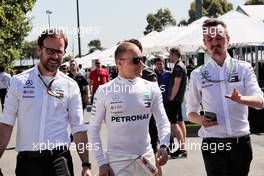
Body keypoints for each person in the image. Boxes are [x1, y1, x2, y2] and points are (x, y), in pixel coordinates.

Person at [0, 29, 92, 176]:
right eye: (50, 50)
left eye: (59, 52)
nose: (55, 56)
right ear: (39, 49)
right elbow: (6, 124)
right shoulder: (19, 82)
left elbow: (78, 127)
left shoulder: (70, 85)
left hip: (59, 159)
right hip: (28, 161)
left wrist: (86, 164)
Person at [187, 19, 264, 176]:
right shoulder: (197, 74)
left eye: (219, 38)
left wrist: (241, 99)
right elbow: (190, 113)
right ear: (204, 43)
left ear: (228, 39)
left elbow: (260, 101)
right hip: (212, 143)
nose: (215, 42)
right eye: (209, 39)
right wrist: (201, 120)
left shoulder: (244, 68)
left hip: (240, 143)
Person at [89, 42, 170, 176]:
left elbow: (162, 120)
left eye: (142, 59)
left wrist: (164, 145)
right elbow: (93, 129)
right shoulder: (104, 91)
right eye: (136, 60)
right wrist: (101, 162)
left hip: (146, 161)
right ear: (119, 63)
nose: (142, 64)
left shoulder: (151, 88)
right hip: (117, 164)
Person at [168, 48, 188, 158]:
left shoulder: (178, 67)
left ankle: (182, 149)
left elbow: (176, 85)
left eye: (170, 55)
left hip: (175, 99)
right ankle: (182, 147)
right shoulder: (181, 65)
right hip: (179, 99)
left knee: (174, 123)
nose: (169, 57)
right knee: (180, 121)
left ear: (174, 55)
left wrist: (171, 98)